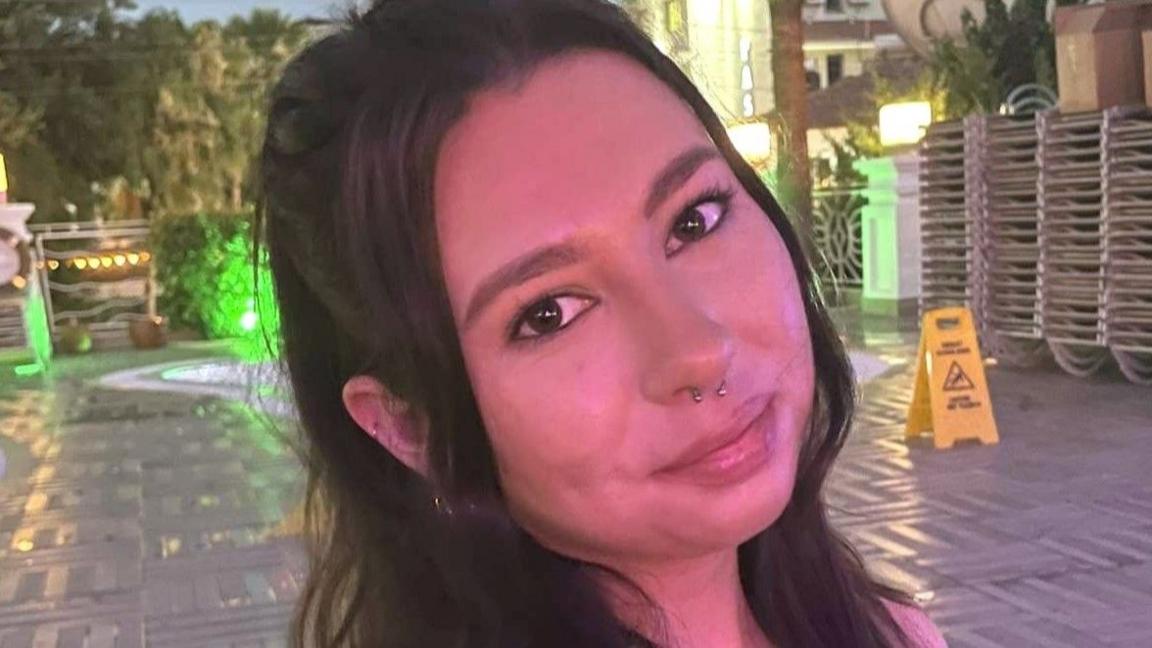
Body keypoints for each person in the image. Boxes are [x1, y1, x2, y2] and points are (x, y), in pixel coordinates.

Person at [257, 1, 947, 646]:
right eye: (548, 313)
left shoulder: (891, 629)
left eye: (694, 219)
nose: (701, 352)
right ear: (409, 425)